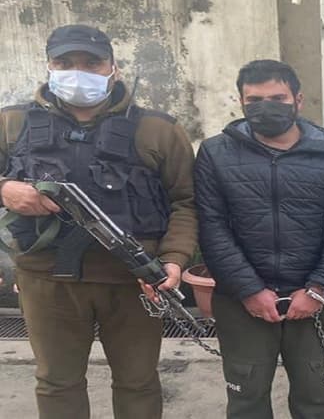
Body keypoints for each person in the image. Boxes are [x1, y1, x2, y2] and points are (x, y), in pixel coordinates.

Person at [0, 24, 197, 418]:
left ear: (113, 67)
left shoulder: (158, 129)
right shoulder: (12, 122)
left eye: (92, 63)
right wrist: (4, 188)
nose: (79, 72)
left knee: (138, 381)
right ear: (49, 66)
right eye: (65, 63)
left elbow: (186, 202)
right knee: (57, 382)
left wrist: (174, 260)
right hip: (47, 280)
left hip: (134, 281)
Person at [194, 59, 324, 418]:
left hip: (315, 300)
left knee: (315, 400)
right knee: (246, 400)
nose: (266, 107)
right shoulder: (215, 153)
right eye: (254, 100)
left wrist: (318, 289)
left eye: (277, 98)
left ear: (298, 100)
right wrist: (249, 290)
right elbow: (211, 226)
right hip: (241, 300)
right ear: (241, 102)